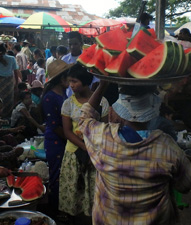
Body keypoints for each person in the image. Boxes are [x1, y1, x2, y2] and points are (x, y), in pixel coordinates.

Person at [78, 81, 191, 225]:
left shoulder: (103, 137)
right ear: (151, 111)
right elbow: (185, 185)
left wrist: (102, 85)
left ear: (120, 111)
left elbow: (84, 118)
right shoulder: (167, 146)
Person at [59, 64, 109, 221]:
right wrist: (86, 148)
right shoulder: (68, 103)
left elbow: (105, 130)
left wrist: (92, 151)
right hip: (74, 154)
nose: (71, 85)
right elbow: (67, 132)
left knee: (94, 196)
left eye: (74, 81)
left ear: (86, 80)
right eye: (69, 81)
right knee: (74, 193)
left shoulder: (102, 102)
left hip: (97, 156)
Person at [41, 60, 71, 216]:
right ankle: (55, 212)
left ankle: (62, 208)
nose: (71, 79)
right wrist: (71, 138)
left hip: (64, 139)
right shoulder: (50, 97)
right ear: (61, 78)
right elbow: (54, 125)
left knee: (63, 175)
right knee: (56, 178)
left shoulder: (62, 93)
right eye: (68, 76)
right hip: (56, 141)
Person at [0, 43, 19, 118]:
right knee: (9, 99)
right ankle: (8, 116)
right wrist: (16, 83)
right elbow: (16, 72)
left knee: (1, 98)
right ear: (6, 50)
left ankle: (1, 115)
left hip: (0, 81)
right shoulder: (12, 58)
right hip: (10, 81)